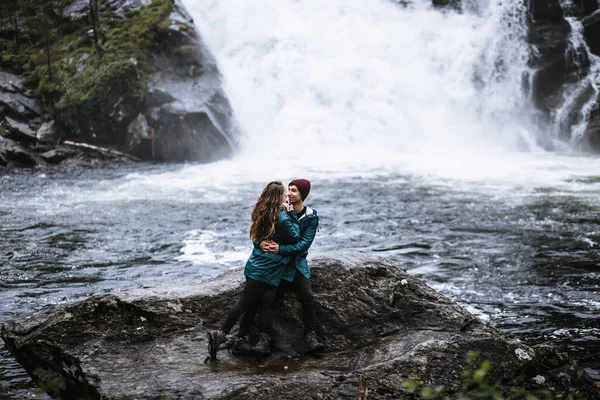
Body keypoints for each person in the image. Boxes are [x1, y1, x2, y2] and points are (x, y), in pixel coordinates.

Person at [207, 181, 300, 360]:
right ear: (278, 197)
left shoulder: (262, 211)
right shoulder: (282, 217)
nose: (286, 196)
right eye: (283, 194)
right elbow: (295, 236)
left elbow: (256, 238)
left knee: (257, 304)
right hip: (267, 270)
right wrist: (292, 214)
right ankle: (220, 334)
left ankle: (241, 340)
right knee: (245, 303)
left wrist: (259, 243)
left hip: (255, 266)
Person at [256, 178, 324, 354]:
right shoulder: (278, 210)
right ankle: (264, 339)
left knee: (307, 295)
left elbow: (303, 245)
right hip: (276, 264)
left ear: (303, 195)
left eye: (294, 190)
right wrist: (260, 244)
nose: (290, 193)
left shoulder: (311, 217)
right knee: (266, 297)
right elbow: (260, 232)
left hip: (296, 264)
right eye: (289, 189)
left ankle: (311, 336)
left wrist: (279, 249)